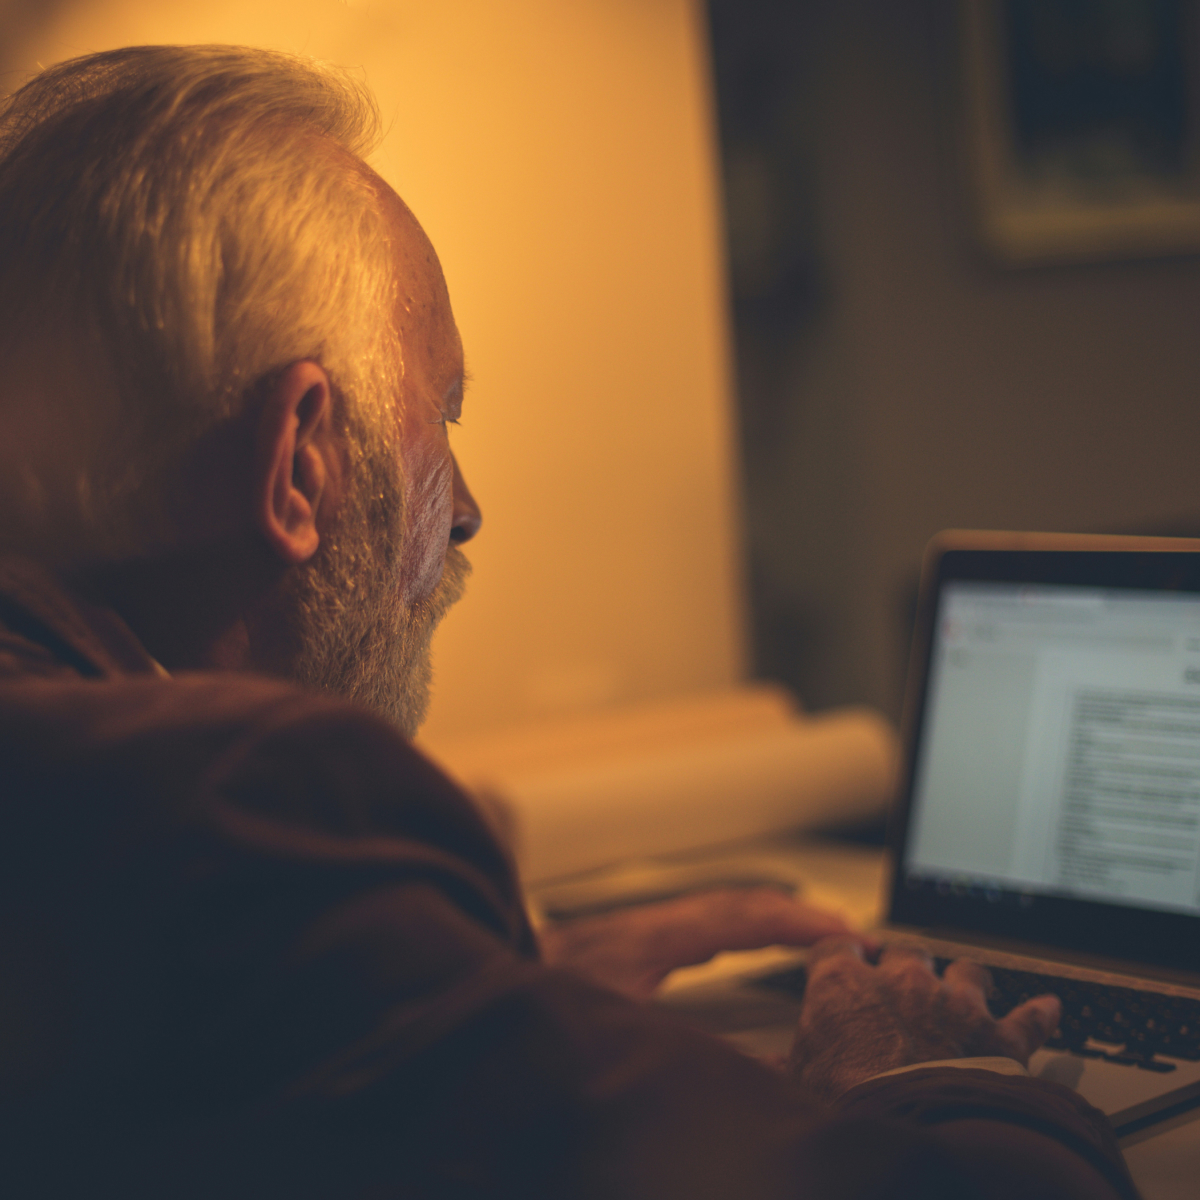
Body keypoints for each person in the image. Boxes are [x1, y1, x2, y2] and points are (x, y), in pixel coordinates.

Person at [0, 45, 1138, 1198]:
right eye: (438, 416)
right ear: (299, 460)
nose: (469, 509)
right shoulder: (249, 813)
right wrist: (925, 1073)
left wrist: (494, 1003)